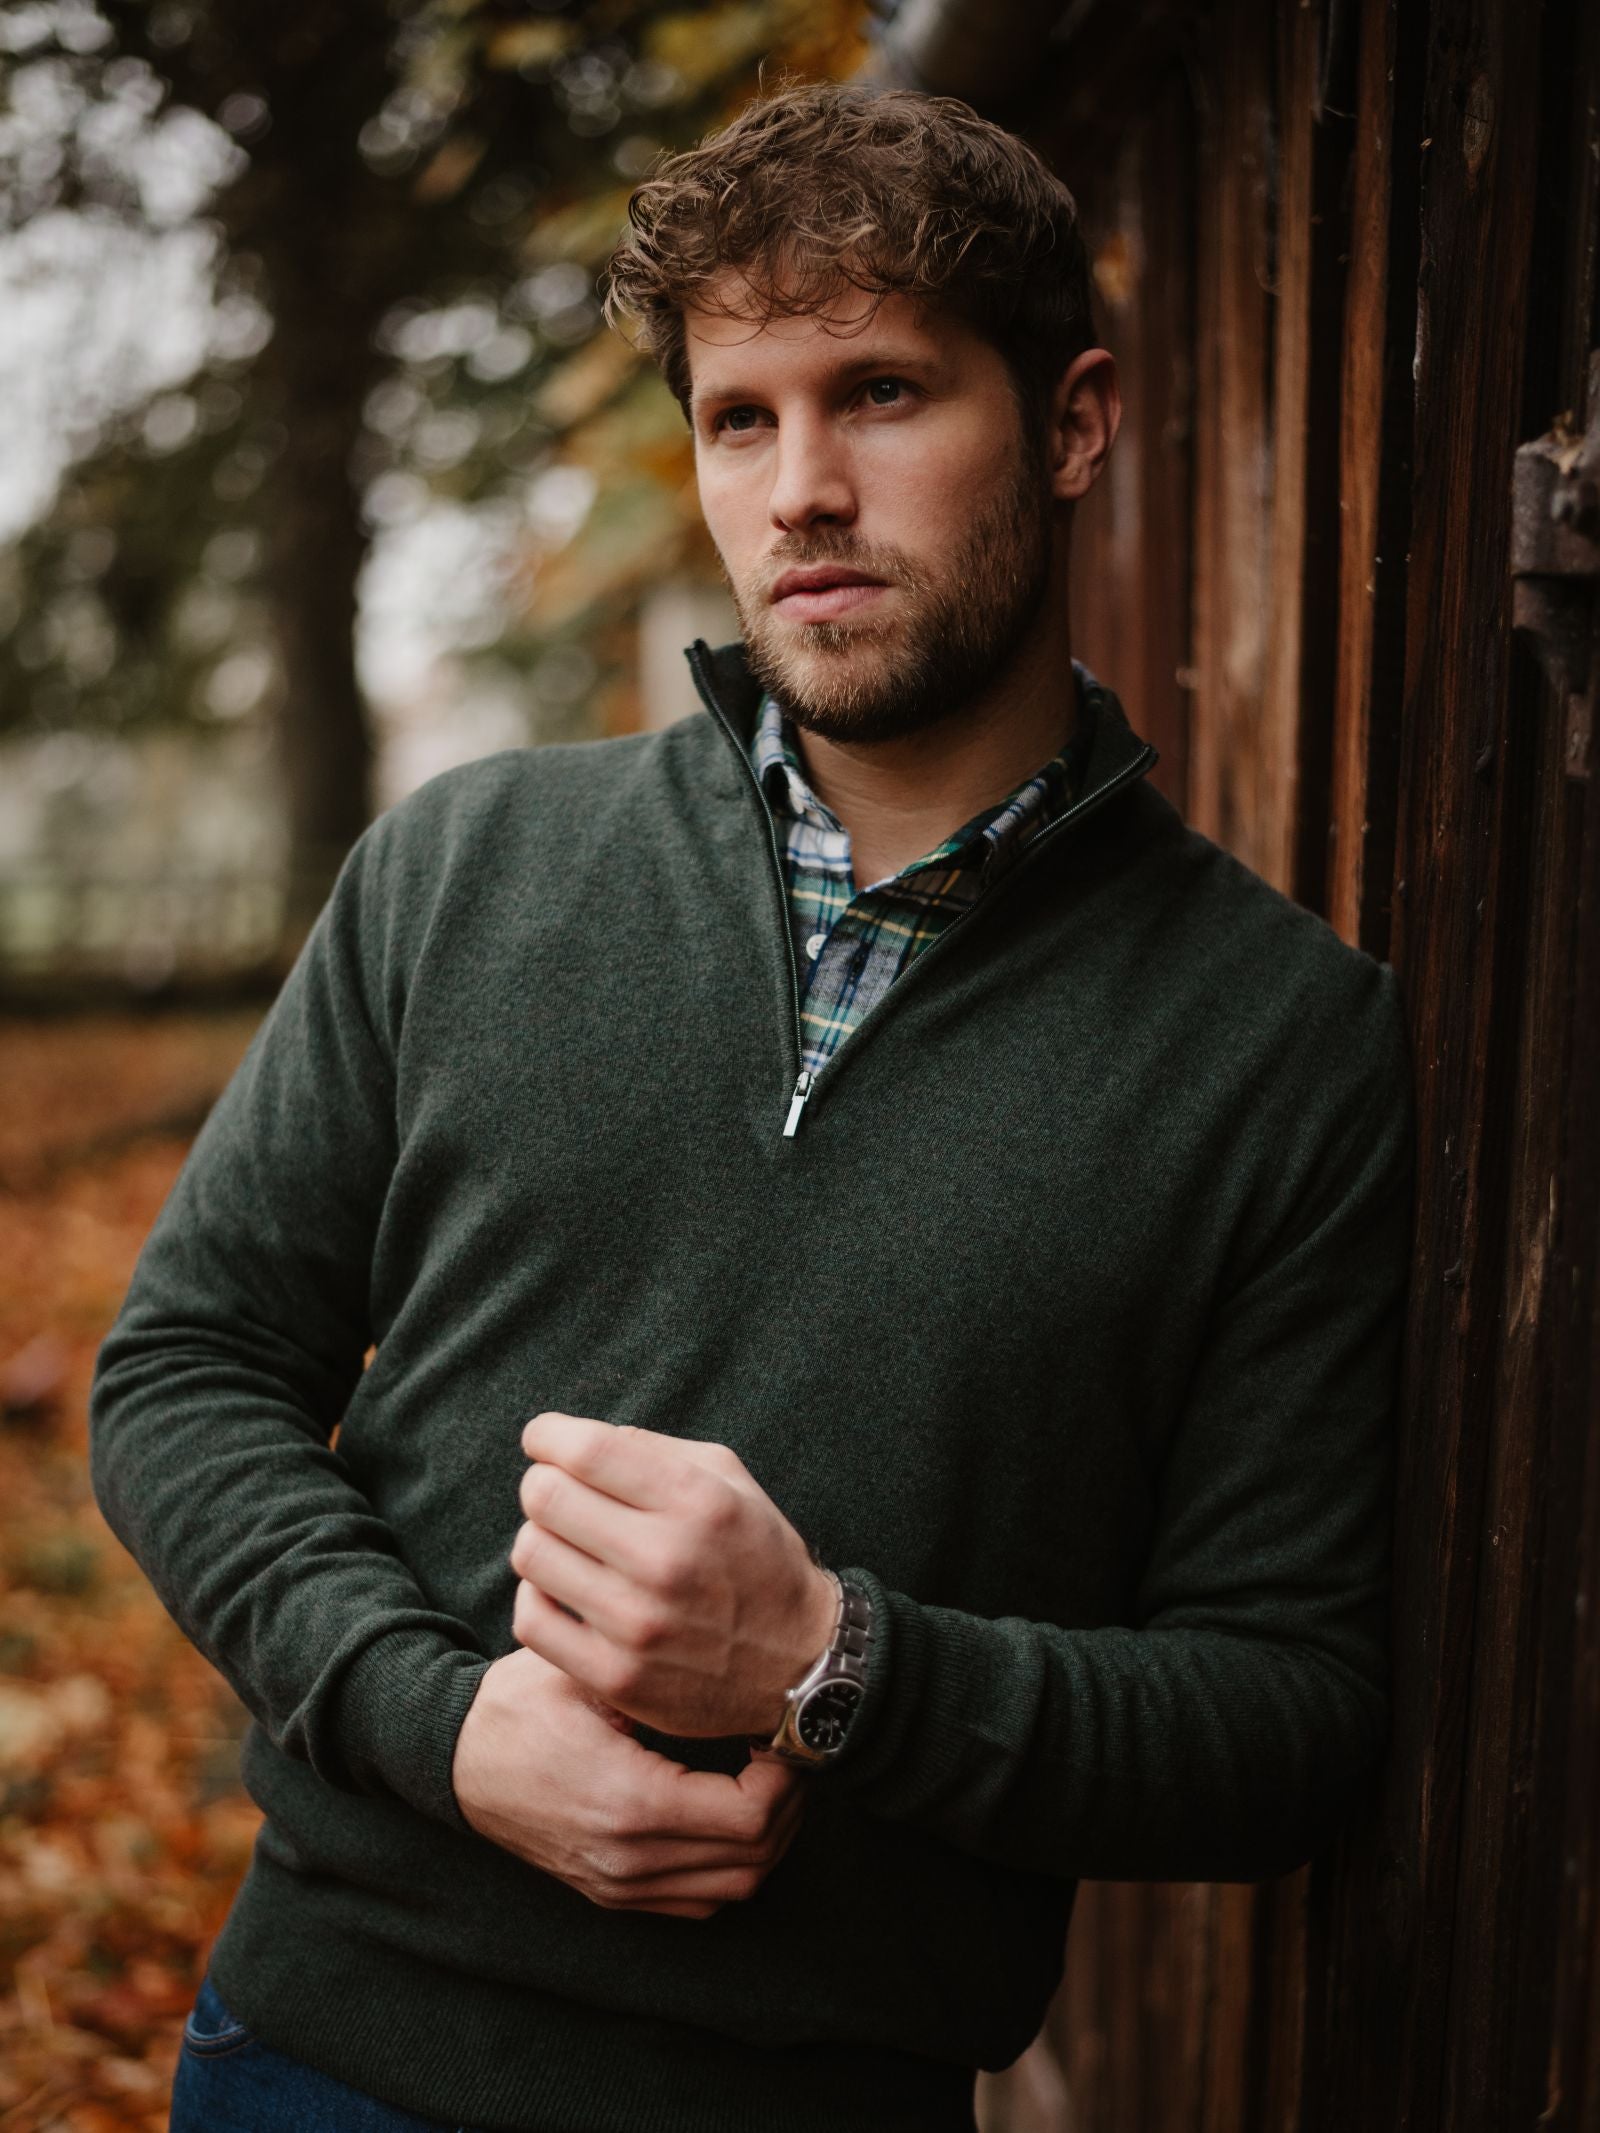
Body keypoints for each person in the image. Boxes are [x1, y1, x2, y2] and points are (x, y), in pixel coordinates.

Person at [90, 78, 1415, 2133]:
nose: (800, 488)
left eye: (878, 393)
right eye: (738, 415)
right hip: (321, 2051)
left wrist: (832, 1659)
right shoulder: (464, 865)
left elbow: (1285, 1716)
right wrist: (442, 1727)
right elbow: (182, 1370)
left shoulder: (1278, 1039)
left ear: (1068, 421)